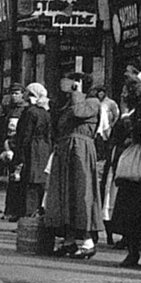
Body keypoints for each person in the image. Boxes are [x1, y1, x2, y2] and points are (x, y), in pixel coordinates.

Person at [42, 71, 104, 258]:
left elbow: (79, 112)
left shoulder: (92, 102)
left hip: (80, 150)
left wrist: (77, 92)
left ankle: (87, 241)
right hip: (66, 150)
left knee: (81, 192)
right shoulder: (69, 103)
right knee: (64, 195)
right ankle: (69, 240)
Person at [104, 81, 141, 267]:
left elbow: (140, 132)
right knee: (132, 212)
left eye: (127, 91)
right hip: (134, 168)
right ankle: (133, 250)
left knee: (137, 212)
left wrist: (131, 130)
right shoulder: (133, 114)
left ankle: (135, 251)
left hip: (140, 167)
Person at [11, 83, 52, 219]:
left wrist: (20, 155)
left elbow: (25, 134)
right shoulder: (45, 112)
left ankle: (28, 217)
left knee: (29, 182)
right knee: (39, 182)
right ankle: (38, 215)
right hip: (43, 149)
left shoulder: (30, 112)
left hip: (32, 149)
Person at [0, 83, 27, 221]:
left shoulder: (25, 110)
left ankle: (16, 209)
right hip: (10, 143)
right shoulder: (11, 110)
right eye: (13, 93)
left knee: (19, 178)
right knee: (11, 178)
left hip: (19, 144)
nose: (14, 96)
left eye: (17, 93)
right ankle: (9, 208)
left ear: (23, 94)